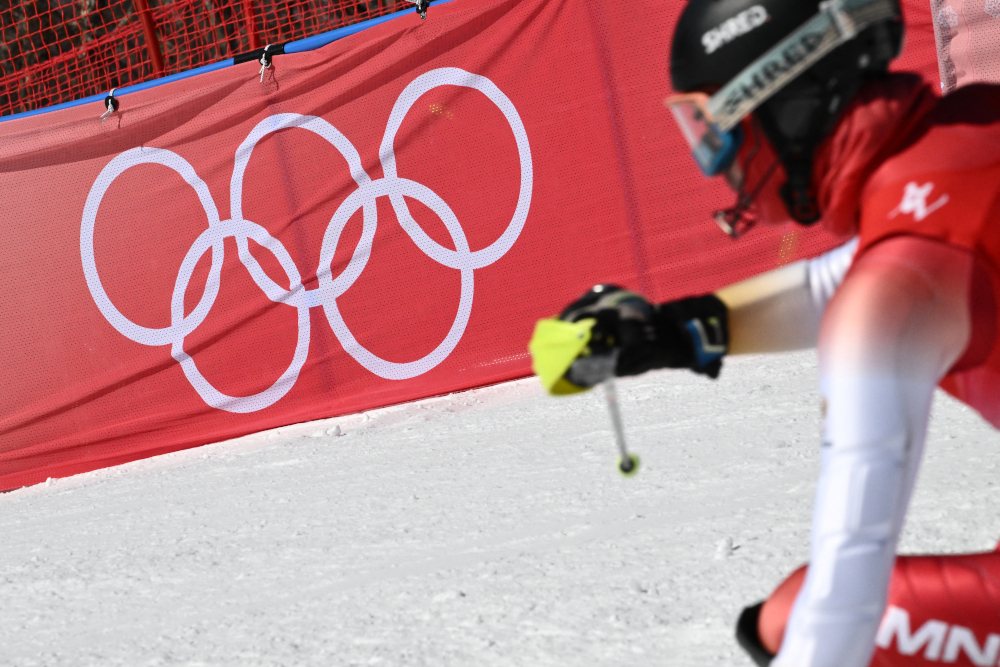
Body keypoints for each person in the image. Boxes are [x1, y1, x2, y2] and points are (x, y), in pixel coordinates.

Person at [528, 1, 1000, 665]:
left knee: (791, 617)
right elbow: (875, 272)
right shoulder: (972, 126)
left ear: (790, 102)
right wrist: (676, 331)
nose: (716, 167)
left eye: (716, 130)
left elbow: (845, 596)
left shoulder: (893, 287)